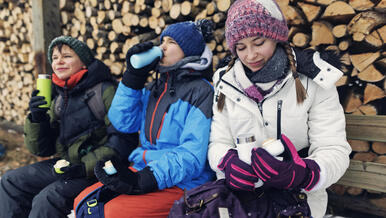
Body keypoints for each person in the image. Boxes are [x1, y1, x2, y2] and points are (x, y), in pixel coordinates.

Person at [207, 0, 352, 218]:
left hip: (298, 202)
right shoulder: (225, 83)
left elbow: (334, 148)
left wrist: (305, 174)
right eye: (241, 47)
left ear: (276, 36)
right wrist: (226, 162)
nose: (250, 55)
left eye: (258, 42)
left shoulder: (312, 81)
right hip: (241, 202)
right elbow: (218, 142)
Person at [74, 20, 215, 217]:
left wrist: (147, 178)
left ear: (189, 51)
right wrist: (133, 77)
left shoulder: (202, 91)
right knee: (83, 202)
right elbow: (123, 122)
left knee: (110, 212)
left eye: (171, 42)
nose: (162, 47)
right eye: (162, 41)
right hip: (145, 168)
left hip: (184, 181)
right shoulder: (155, 87)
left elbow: (191, 156)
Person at [0, 36, 138, 218]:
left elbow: (122, 143)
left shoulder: (104, 91)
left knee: (47, 199)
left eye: (67, 56)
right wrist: (37, 118)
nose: (59, 62)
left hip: (98, 170)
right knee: (11, 181)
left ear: (84, 62)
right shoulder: (58, 96)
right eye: (55, 58)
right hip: (68, 166)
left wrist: (84, 168)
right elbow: (41, 149)